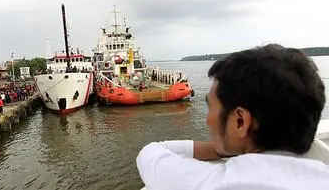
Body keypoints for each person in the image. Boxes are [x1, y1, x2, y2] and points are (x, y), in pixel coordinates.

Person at [136, 44, 329, 190]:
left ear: (240, 121)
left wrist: (227, 148)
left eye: (211, 108)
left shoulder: (214, 184)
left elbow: (150, 154)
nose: (208, 120)